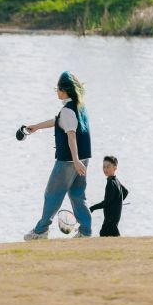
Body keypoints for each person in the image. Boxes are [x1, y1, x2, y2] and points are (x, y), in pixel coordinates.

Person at [21, 71, 92, 240]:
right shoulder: (78, 107)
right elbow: (58, 120)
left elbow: (71, 134)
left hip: (69, 161)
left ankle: (40, 231)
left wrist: (74, 160)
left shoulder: (68, 110)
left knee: (52, 193)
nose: (56, 91)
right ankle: (86, 231)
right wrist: (36, 126)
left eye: (58, 88)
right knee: (77, 194)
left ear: (65, 90)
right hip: (83, 159)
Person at [89, 156, 129, 237]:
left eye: (108, 166)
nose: (105, 169)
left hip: (110, 219)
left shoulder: (110, 183)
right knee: (112, 237)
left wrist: (92, 208)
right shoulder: (116, 181)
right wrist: (118, 203)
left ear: (115, 168)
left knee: (104, 234)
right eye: (104, 167)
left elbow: (106, 203)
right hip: (114, 218)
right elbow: (125, 192)